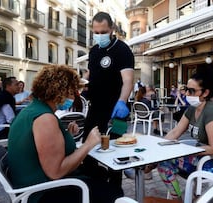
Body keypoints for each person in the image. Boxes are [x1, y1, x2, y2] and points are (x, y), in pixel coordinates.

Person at [7, 65, 123, 203]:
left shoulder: (34, 110)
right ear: (59, 92)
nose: (74, 97)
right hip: (41, 194)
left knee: (99, 173)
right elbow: (56, 172)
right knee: (114, 192)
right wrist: (88, 144)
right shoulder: (45, 118)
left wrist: (66, 134)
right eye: (72, 92)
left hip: (36, 185)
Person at [156, 68, 213, 200]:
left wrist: (184, 150)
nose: (187, 94)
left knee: (165, 163)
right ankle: (177, 199)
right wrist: (158, 146)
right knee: (162, 161)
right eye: (187, 89)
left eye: (192, 91)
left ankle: (178, 199)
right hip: (200, 156)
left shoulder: (212, 112)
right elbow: (176, 131)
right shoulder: (193, 108)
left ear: (206, 92)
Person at [84, 11, 134, 188]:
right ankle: (93, 188)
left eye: (103, 32)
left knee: (117, 153)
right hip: (95, 108)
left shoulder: (122, 49)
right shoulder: (93, 51)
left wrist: (122, 100)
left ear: (112, 29)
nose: (99, 35)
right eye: (96, 32)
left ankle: (115, 191)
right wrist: (80, 84)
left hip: (116, 110)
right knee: (88, 149)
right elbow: (91, 74)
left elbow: (128, 80)